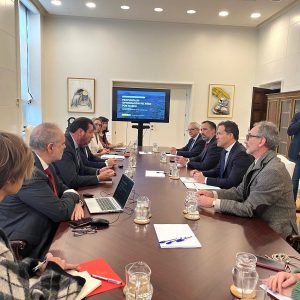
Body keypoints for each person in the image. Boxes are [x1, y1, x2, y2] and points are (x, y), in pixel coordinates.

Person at [0, 131, 85, 299]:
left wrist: (35, 267)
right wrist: (54, 271)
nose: (30, 170)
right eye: (26, 165)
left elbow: (6, 270)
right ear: (11, 175)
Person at [197, 121, 297, 239]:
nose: (245, 141)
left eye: (249, 136)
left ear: (262, 141)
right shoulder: (258, 161)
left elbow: (250, 209)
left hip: (275, 235)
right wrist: (213, 194)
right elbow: (239, 192)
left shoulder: (272, 171)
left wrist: (213, 202)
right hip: (258, 225)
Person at [54, 117, 115, 189]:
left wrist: (99, 171)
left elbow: (81, 169)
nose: (92, 136)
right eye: (90, 132)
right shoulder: (65, 146)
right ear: (80, 132)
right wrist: (98, 178)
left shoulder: (75, 143)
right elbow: (72, 181)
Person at [191, 121, 253, 188]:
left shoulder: (241, 154)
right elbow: (217, 170)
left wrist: (205, 180)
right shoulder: (225, 150)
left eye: (219, 134)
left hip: (230, 195)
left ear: (230, 135)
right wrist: (201, 173)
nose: (216, 137)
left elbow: (231, 182)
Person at [287, 112, 300, 200]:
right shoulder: (298, 115)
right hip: (296, 155)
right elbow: (290, 131)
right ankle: (291, 206)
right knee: (294, 182)